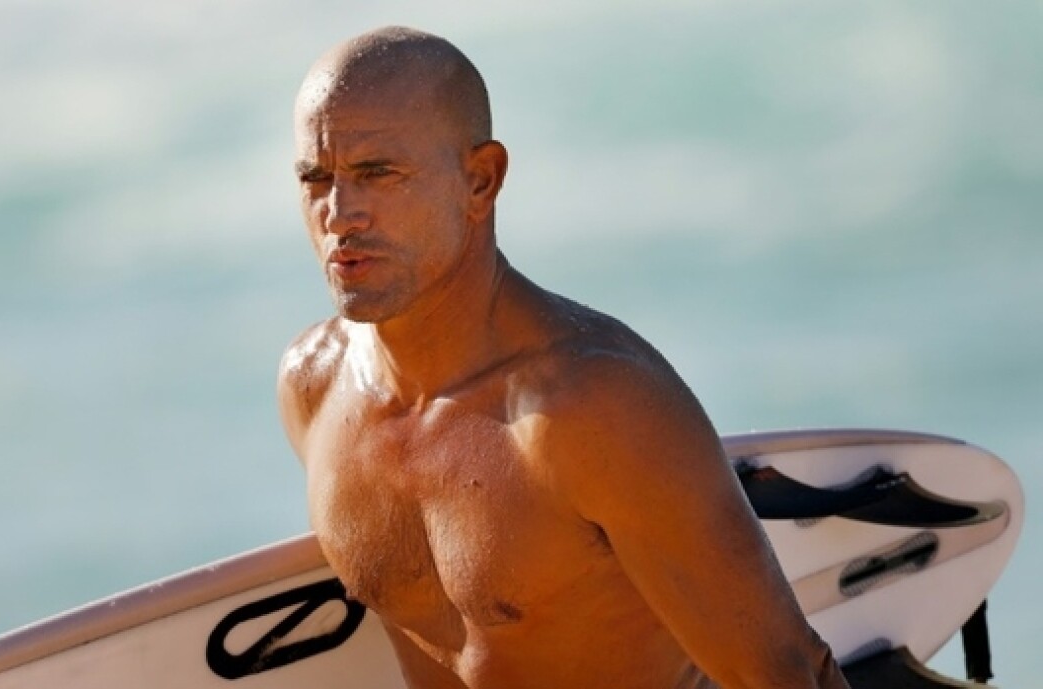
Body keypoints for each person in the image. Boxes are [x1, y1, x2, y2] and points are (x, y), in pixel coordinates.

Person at [277, 25, 849, 689]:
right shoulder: (314, 388)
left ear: (480, 180)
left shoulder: (591, 408)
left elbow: (790, 674)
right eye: (316, 178)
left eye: (379, 174)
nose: (340, 214)